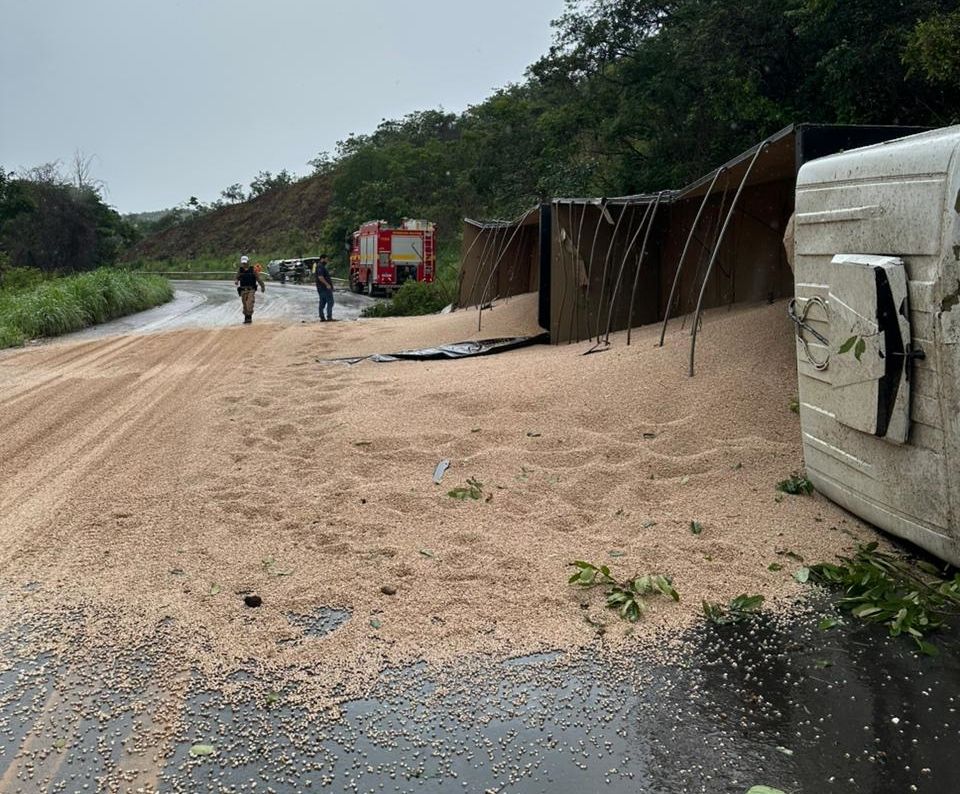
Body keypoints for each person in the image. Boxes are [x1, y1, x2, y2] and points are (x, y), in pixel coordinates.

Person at [234, 255, 265, 324]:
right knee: (245, 305)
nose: (244, 264)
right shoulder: (240, 270)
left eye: (245, 263)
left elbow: (258, 279)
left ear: (248, 262)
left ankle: (249, 317)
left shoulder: (253, 270)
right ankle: (246, 318)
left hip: (251, 289)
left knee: (249, 303)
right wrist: (236, 281)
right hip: (243, 290)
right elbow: (237, 277)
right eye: (243, 263)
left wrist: (263, 286)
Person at [315, 254, 335, 321]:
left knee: (322, 302)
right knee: (330, 302)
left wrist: (330, 273)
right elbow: (320, 277)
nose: (327, 261)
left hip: (321, 288)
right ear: (322, 259)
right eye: (326, 259)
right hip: (324, 288)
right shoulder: (320, 266)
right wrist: (327, 285)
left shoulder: (321, 266)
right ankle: (329, 317)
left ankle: (322, 317)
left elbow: (324, 276)